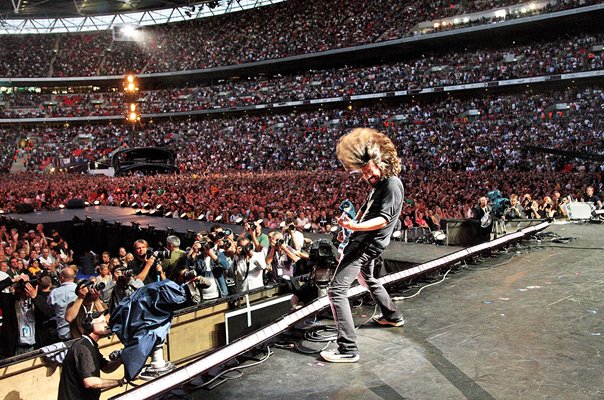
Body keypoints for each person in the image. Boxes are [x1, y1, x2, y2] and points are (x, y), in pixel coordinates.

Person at [320, 128, 404, 364]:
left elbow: (383, 219)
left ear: (383, 163)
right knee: (368, 279)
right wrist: (350, 226)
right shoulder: (380, 187)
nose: (367, 175)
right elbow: (370, 215)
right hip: (364, 243)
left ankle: (347, 349)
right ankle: (392, 315)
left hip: (365, 246)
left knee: (336, 290)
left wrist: (355, 229)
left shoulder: (392, 185)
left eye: (369, 170)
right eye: (363, 172)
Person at [57, 310, 125, 400]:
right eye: (102, 322)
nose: (106, 325)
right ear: (90, 326)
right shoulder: (84, 347)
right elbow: (90, 382)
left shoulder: (90, 345)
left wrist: (122, 359)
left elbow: (106, 367)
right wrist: (120, 381)